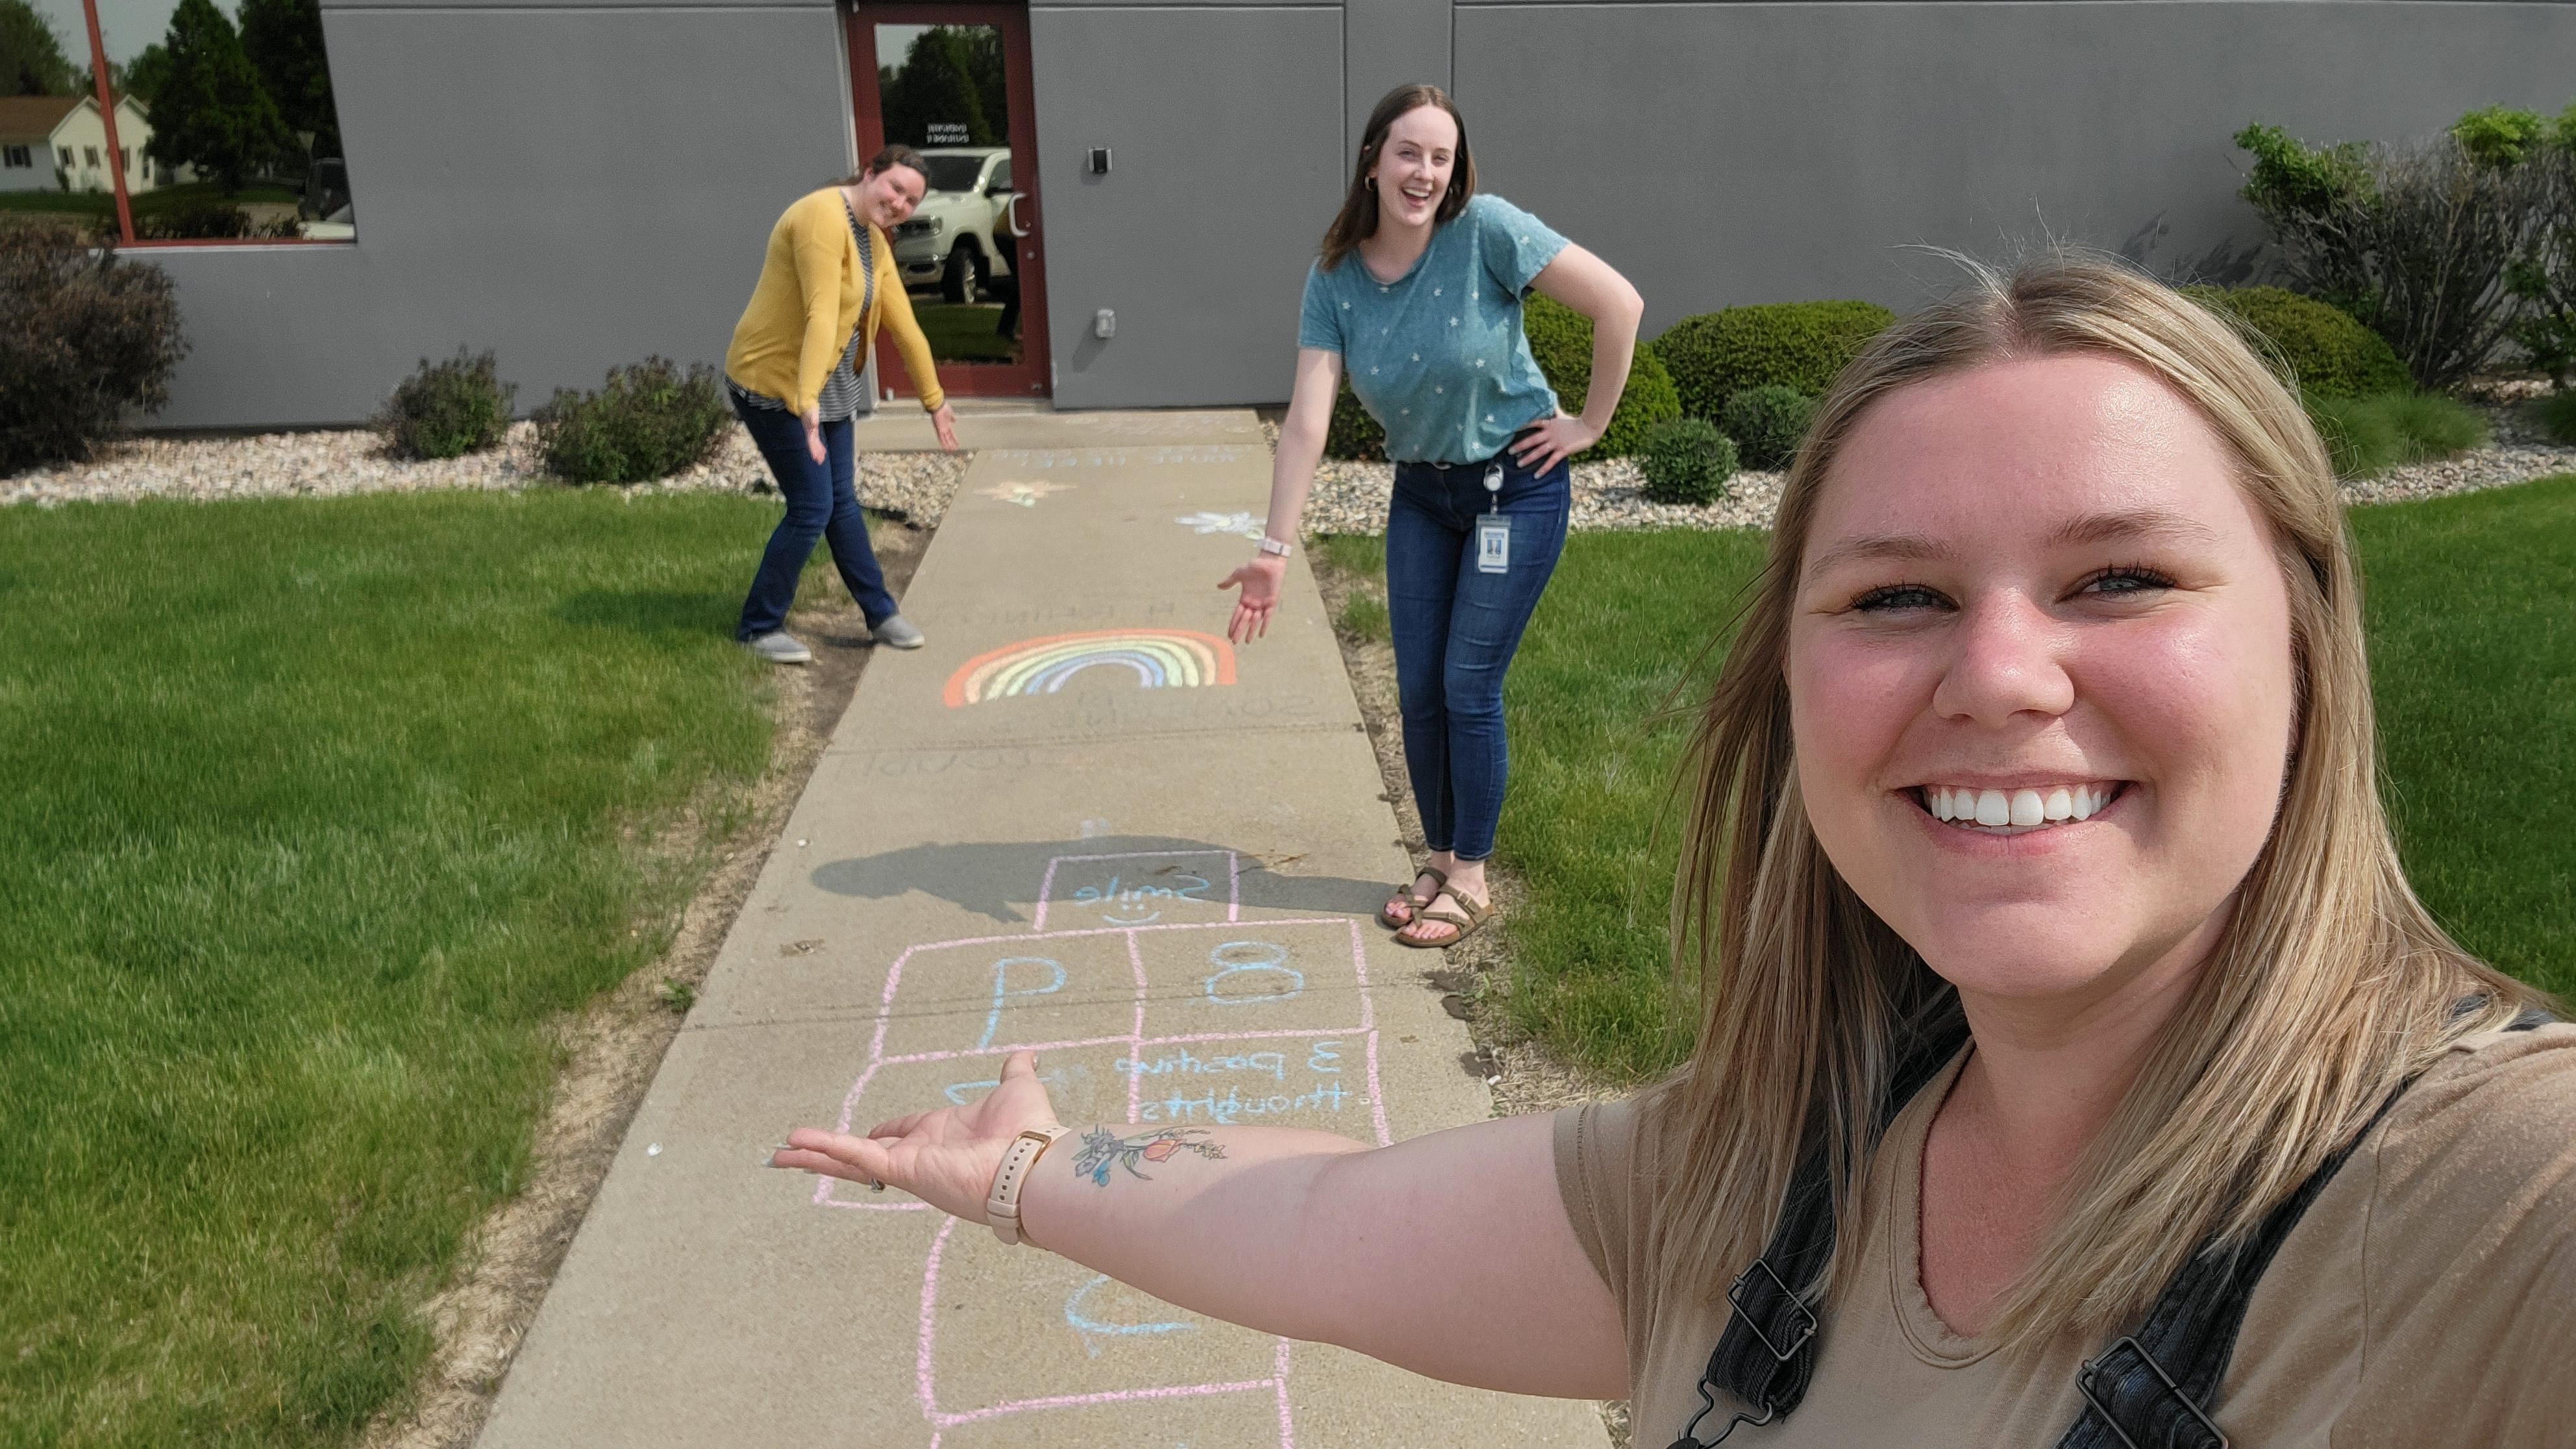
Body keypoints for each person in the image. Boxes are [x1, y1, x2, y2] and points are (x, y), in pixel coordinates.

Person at [775, 254, 2575, 1444]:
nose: (2003, 674)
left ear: (2305, 643)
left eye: (2121, 579)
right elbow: (1317, 1218)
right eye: (1897, 596)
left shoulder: (2480, 1220)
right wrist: (1028, 1170)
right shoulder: (1762, 1180)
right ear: (1791, 682)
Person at [1219, 83, 1644, 949]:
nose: (1423, 173)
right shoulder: (1334, 276)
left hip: (1514, 487)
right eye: (1408, 152)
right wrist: (1273, 548)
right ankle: (1440, 856)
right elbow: (1308, 415)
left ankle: (1474, 877)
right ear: (1373, 158)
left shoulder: (1484, 230)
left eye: (1440, 157)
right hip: (1423, 494)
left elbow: (1619, 304)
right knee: (1417, 694)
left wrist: (1591, 425)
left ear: (1457, 171)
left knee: (1467, 684)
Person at [723, 146, 958, 664]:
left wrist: (934, 402)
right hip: (774, 383)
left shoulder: (873, 239)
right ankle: (758, 626)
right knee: (813, 508)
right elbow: (822, 314)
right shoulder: (819, 218)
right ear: (869, 174)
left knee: (841, 502)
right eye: (895, 188)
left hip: (828, 386)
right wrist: (805, 404)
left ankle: (881, 614)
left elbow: (904, 325)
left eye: (911, 200)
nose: (900, 203)